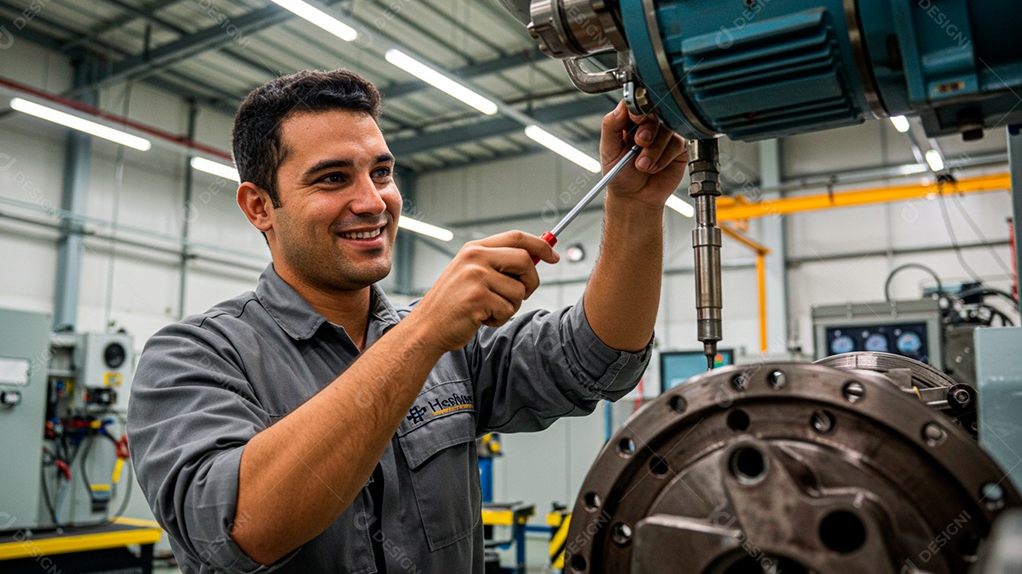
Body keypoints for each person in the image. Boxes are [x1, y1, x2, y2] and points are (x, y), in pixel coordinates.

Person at [128, 69, 687, 573]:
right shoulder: (192, 357)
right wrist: (420, 336)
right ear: (258, 206)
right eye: (331, 179)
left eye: (382, 172)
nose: (373, 201)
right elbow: (242, 527)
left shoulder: (454, 343)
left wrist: (635, 207)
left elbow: (596, 359)